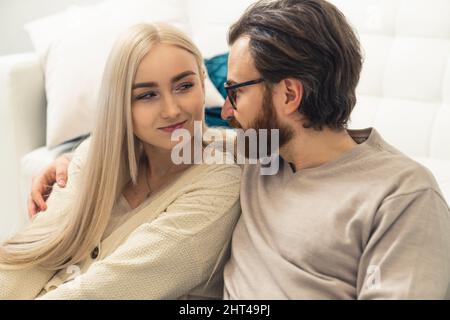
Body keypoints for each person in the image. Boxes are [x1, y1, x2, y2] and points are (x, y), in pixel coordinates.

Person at [26, 0, 450, 300]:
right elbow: (165, 142)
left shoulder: (402, 195)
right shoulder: (259, 152)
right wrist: (69, 162)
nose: (225, 111)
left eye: (234, 92)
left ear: (288, 95)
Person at [0, 23, 241, 300]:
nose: (172, 110)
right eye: (147, 95)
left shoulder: (220, 181)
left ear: (202, 81)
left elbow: (103, 291)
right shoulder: (92, 157)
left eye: (184, 86)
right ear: (120, 103)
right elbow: (33, 255)